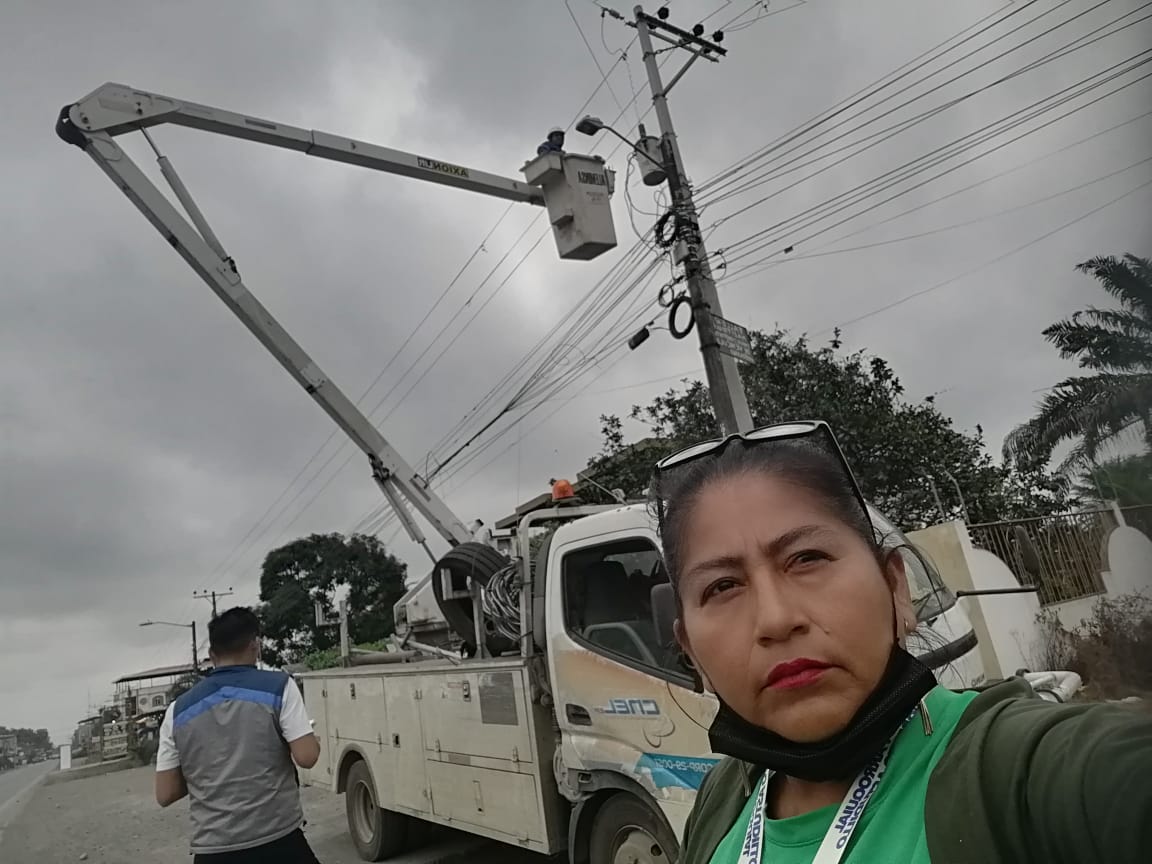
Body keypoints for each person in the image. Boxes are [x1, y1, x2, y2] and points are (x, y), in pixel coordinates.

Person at [649, 421, 1152, 864]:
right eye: (722, 587)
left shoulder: (1017, 770)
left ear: (896, 587)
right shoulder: (722, 799)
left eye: (807, 559)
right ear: (690, 649)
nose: (776, 620)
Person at [154, 607, 323, 863]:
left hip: (213, 851)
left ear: (212, 655)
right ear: (255, 645)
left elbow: (165, 793)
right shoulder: (279, 686)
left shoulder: (177, 712)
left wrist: (211, 774)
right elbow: (307, 757)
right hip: (279, 842)